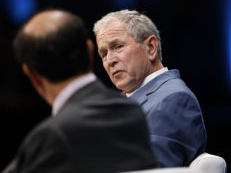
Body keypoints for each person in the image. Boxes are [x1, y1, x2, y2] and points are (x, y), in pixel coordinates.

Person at [2, 9, 158, 173]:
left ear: (31, 74)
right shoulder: (132, 111)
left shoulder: (51, 136)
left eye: (118, 46)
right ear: (90, 51)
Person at [93, 9, 207, 167]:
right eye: (104, 54)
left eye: (118, 46)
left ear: (151, 47)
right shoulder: (118, 102)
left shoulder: (173, 99)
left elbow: (149, 170)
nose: (110, 60)